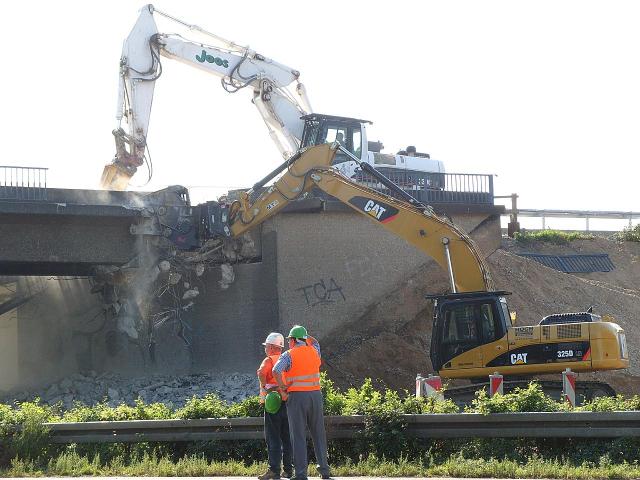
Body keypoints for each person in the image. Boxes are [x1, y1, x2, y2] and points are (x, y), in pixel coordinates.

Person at [273, 325, 331, 480]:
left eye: (289, 340)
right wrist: (304, 335)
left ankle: (300, 474)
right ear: (304, 339)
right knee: (319, 433)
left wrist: (283, 388)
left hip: (297, 398)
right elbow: (316, 342)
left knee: (298, 435)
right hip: (315, 396)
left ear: (292, 340)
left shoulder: (288, 355)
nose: (289, 343)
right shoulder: (314, 351)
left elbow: (276, 371)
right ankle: (324, 471)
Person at [257, 332, 293, 480]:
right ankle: (289, 470)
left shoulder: (269, 360)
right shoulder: (287, 358)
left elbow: (261, 372)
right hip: (287, 400)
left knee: (273, 437)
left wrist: (265, 387)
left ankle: (274, 470)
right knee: (287, 437)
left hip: (273, 403)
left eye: (266, 347)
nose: (265, 349)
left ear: (271, 347)